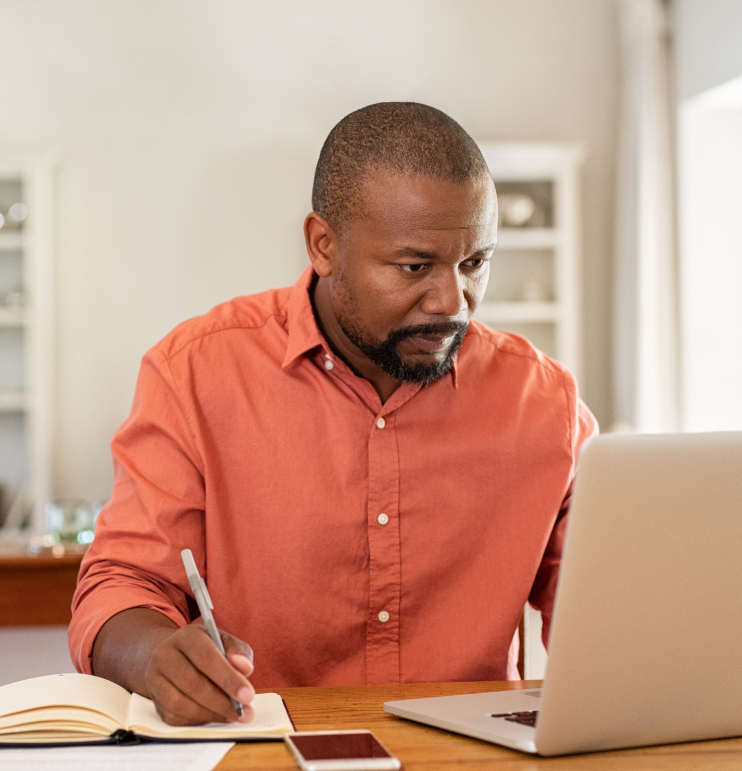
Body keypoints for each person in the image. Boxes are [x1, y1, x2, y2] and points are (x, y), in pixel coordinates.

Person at [69, 102, 597, 727]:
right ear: (323, 245)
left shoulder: (546, 404)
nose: (453, 302)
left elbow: (608, 617)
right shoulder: (194, 374)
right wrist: (155, 655)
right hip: (263, 754)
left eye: (474, 263)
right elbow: (120, 584)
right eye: (414, 266)